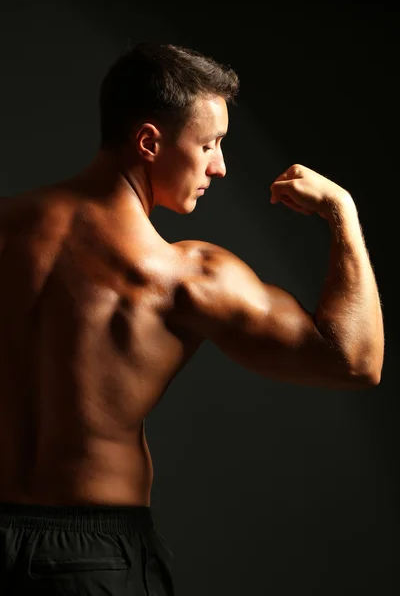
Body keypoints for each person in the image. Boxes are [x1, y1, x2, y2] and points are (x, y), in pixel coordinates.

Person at [0, 42, 384, 595]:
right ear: (150, 141)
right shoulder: (183, 277)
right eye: (209, 144)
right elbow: (357, 362)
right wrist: (342, 213)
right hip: (91, 564)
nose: (219, 166)